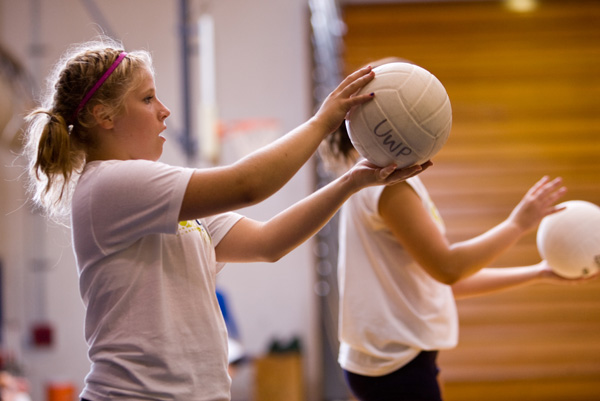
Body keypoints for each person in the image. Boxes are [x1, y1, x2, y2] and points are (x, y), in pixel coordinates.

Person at [23, 38, 429, 401]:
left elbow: (268, 243)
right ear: (104, 115)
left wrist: (352, 181)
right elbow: (248, 185)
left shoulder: (158, 198)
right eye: (147, 99)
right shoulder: (108, 184)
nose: (164, 111)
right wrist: (322, 121)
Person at [321, 58, 597, 401]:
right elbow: (449, 268)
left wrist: (539, 272)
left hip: (397, 361)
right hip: (394, 366)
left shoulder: (381, 179)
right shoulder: (385, 186)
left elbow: (447, 281)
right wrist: (517, 224)